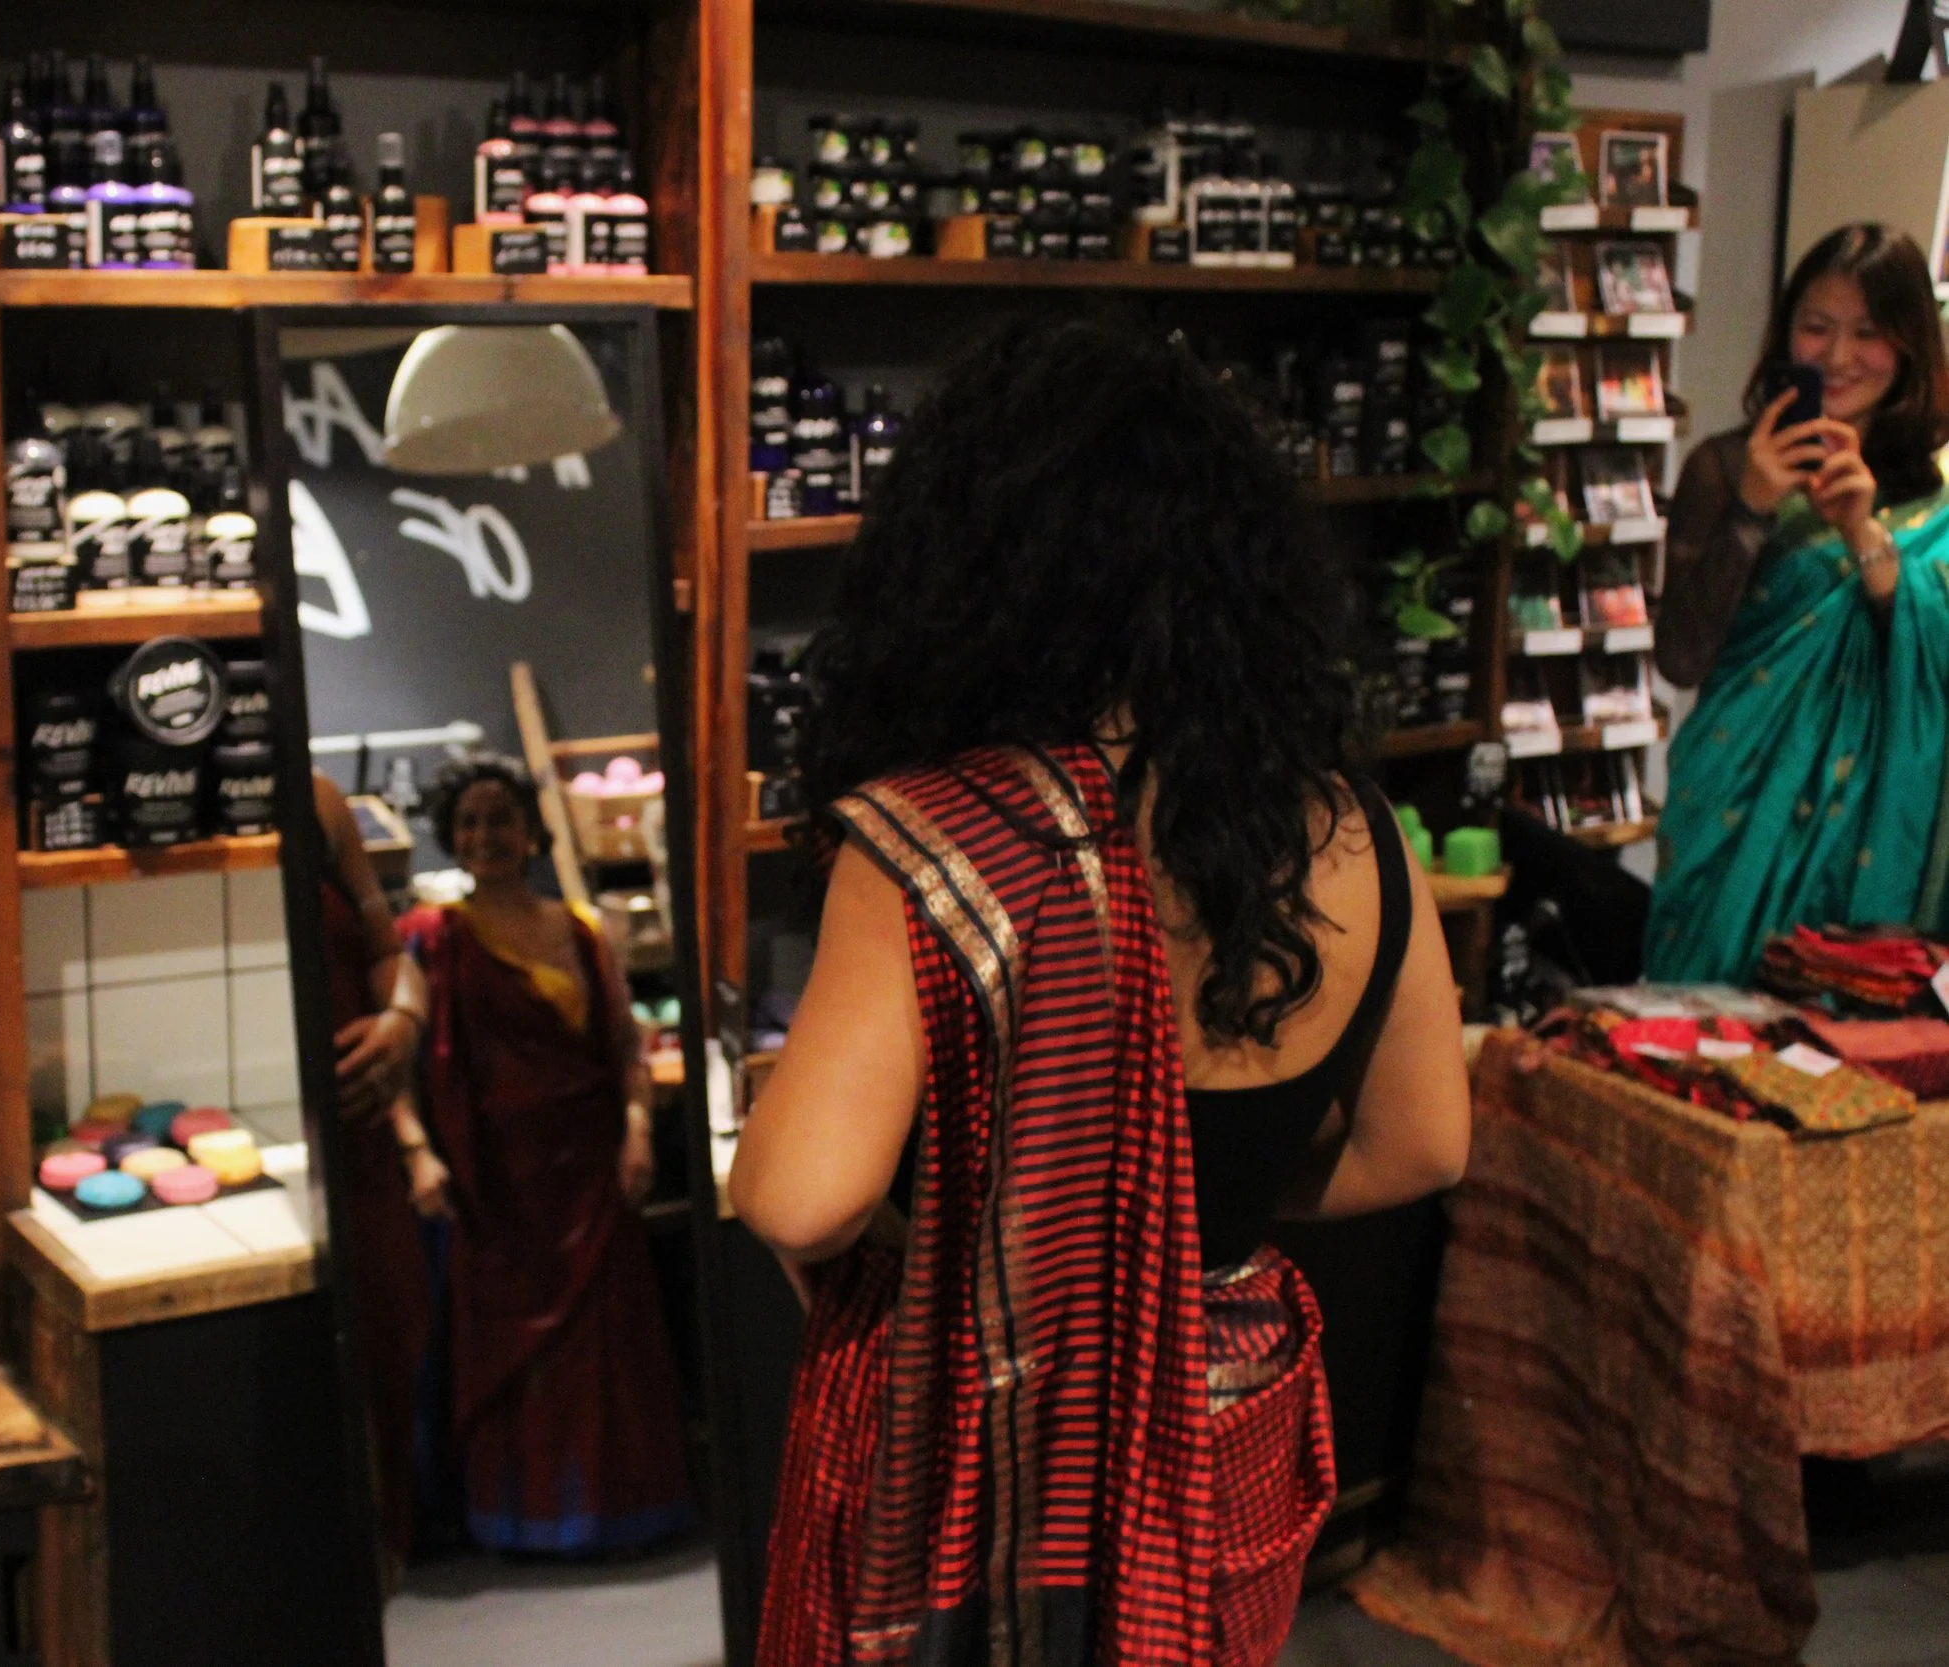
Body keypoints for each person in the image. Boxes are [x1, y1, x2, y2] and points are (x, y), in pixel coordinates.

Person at [727, 321, 1471, 1667]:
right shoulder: (1359, 831)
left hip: (984, 1424)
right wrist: (1194, 1215)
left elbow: (797, 1195)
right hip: (1217, 1401)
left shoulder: (933, 842)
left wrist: (1050, 1233)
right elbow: (1425, 1140)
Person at [402, 757, 694, 1556]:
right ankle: (520, 1520)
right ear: (450, 838)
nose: (485, 835)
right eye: (469, 821)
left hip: (586, 1176)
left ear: (530, 830)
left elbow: (625, 1047)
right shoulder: (430, 940)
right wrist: (418, 1152)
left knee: (604, 1358)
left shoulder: (580, 929)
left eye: (500, 818)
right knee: (514, 1361)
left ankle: (619, 1514)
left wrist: (638, 1130)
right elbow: (397, 1066)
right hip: (490, 1188)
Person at [1648, 224, 1949, 982]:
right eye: (1817, 327)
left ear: (1911, 344)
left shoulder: (1933, 497)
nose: (1839, 357)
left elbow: (1931, 675)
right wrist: (1751, 507)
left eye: (1869, 333)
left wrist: (1863, 532)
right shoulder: (1722, 466)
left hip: (1867, 828)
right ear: (1786, 333)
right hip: (1733, 808)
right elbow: (1680, 658)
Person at [311, 768, 436, 1578]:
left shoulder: (318, 799)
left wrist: (403, 1019)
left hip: (357, 1145)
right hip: (256, 1150)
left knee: (383, 1366)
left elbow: (390, 952)